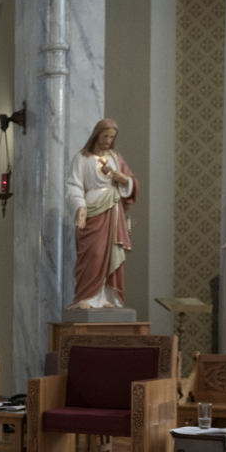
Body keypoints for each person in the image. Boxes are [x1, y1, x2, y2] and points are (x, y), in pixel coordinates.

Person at [65, 118, 138, 309]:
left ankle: (108, 297)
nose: (108, 140)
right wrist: (80, 207)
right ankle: (88, 296)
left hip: (113, 212)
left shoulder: (116, 158)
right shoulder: (82, 158)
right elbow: (74, 185)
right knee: (94, 254)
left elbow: (132, 183)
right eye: (105, 135)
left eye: (112, 136)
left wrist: (125, 180)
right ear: (97, 135)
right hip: (91, 211)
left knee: (112, 253)